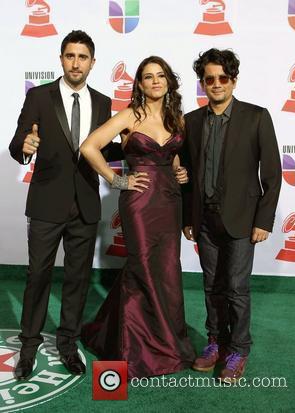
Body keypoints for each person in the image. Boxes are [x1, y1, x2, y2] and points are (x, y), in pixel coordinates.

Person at [9, 30, 123, 380]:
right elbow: (17, 143)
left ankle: (68, 345)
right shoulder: (39, 97)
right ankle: (28, 348)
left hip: (86, 206)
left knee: (77, 279)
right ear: (61, 59)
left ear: (92, 62)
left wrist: (141, 150)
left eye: (83, 57)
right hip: (46, 204)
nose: (76, 63)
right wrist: (26, 146)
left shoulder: (104, 102)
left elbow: (102, 150)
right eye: (70, 56)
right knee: (38, 277)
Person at [80, 56, 195, 379]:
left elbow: (170, 158)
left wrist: (179, 172)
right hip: (140, 203)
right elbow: (89, 147)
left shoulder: (177, 120)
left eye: (161, 76)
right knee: (141, 267)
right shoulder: (130, 115)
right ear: (140, 84)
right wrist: (117, 180)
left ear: (169, 81)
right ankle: (134, 348)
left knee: (167, 270)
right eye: (148, 77)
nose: (155, 81)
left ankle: (167, 341)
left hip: (170, 202)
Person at [181, 48, 281, 382]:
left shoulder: (256, 116)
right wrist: (188, 218)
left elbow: (272, 174)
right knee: (212, 285)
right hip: (204, 219)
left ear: (233, 80)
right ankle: (215, 342)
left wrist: (263, 221)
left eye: (223, 77)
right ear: (203, 83)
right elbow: (188, 177)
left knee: (236, 287)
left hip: (242, 218)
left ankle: (238, 349)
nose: (217, 84)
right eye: (210, 79)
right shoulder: (192, 122)